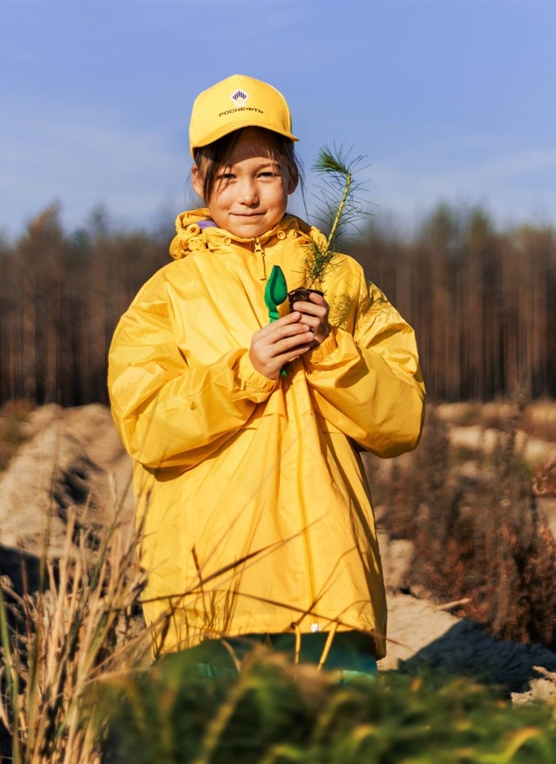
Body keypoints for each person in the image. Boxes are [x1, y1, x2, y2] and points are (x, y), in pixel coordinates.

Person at [107, 74, 425, 676]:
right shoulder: (165, 296)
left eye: (266, 173)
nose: (247, 196)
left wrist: (331, 350)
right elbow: (148, 429)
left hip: (329, 589)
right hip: (208, 589)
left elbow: (402, 421)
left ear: (292, 177)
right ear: (200, 180)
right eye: (227, 176)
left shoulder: (343, 281)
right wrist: (244, 371)